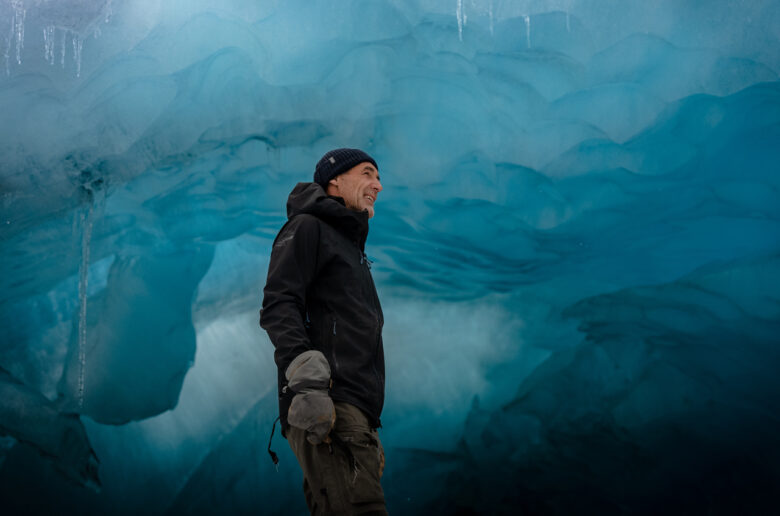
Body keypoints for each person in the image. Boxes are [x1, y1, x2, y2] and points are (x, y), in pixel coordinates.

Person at [260, 148, 387, 515]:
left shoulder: (349, 245)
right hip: (326, 401)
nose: (378, 185)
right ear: (335, 180)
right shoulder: (308, 227)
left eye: (378, 178)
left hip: (349, 410)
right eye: (367, 173)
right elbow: (279, 302)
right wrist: (307, 379)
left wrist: (365, 421)